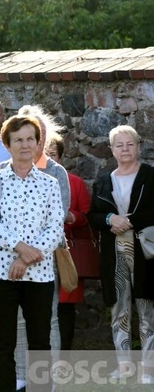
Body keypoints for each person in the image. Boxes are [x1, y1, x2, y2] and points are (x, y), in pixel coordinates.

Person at [0, 115, 64, 392]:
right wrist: (20, 247)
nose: (25, 145)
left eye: (30, 139)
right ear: (7, 144)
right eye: (18, 140)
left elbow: (55, 227)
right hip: (2, 274)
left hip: (39, 276)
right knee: (4, 344)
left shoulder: (50, 184)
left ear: (38, 143)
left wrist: (27, 257)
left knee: (40, 343)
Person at [88, 125, 154, 383]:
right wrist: (109, 219)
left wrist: (129, 221)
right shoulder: (104, 180)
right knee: (119, 309)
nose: (125, 149)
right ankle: (124, 366)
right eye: (119, 145)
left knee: (147, 307)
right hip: (113, 252)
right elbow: (92, 216)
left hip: (145, 251)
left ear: (138, 146)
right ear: (112, 149)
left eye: (130, 144)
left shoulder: (150, 175)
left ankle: (149, 368)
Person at [45, 135, 91, 350]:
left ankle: (64, 352)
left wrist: (72, 217)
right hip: (36, 249)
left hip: (65, 249)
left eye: (52, 154)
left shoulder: (74, 182)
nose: (48, 157)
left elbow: (86, 216)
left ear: (60, 157)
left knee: (65, 303)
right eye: (44, 152)